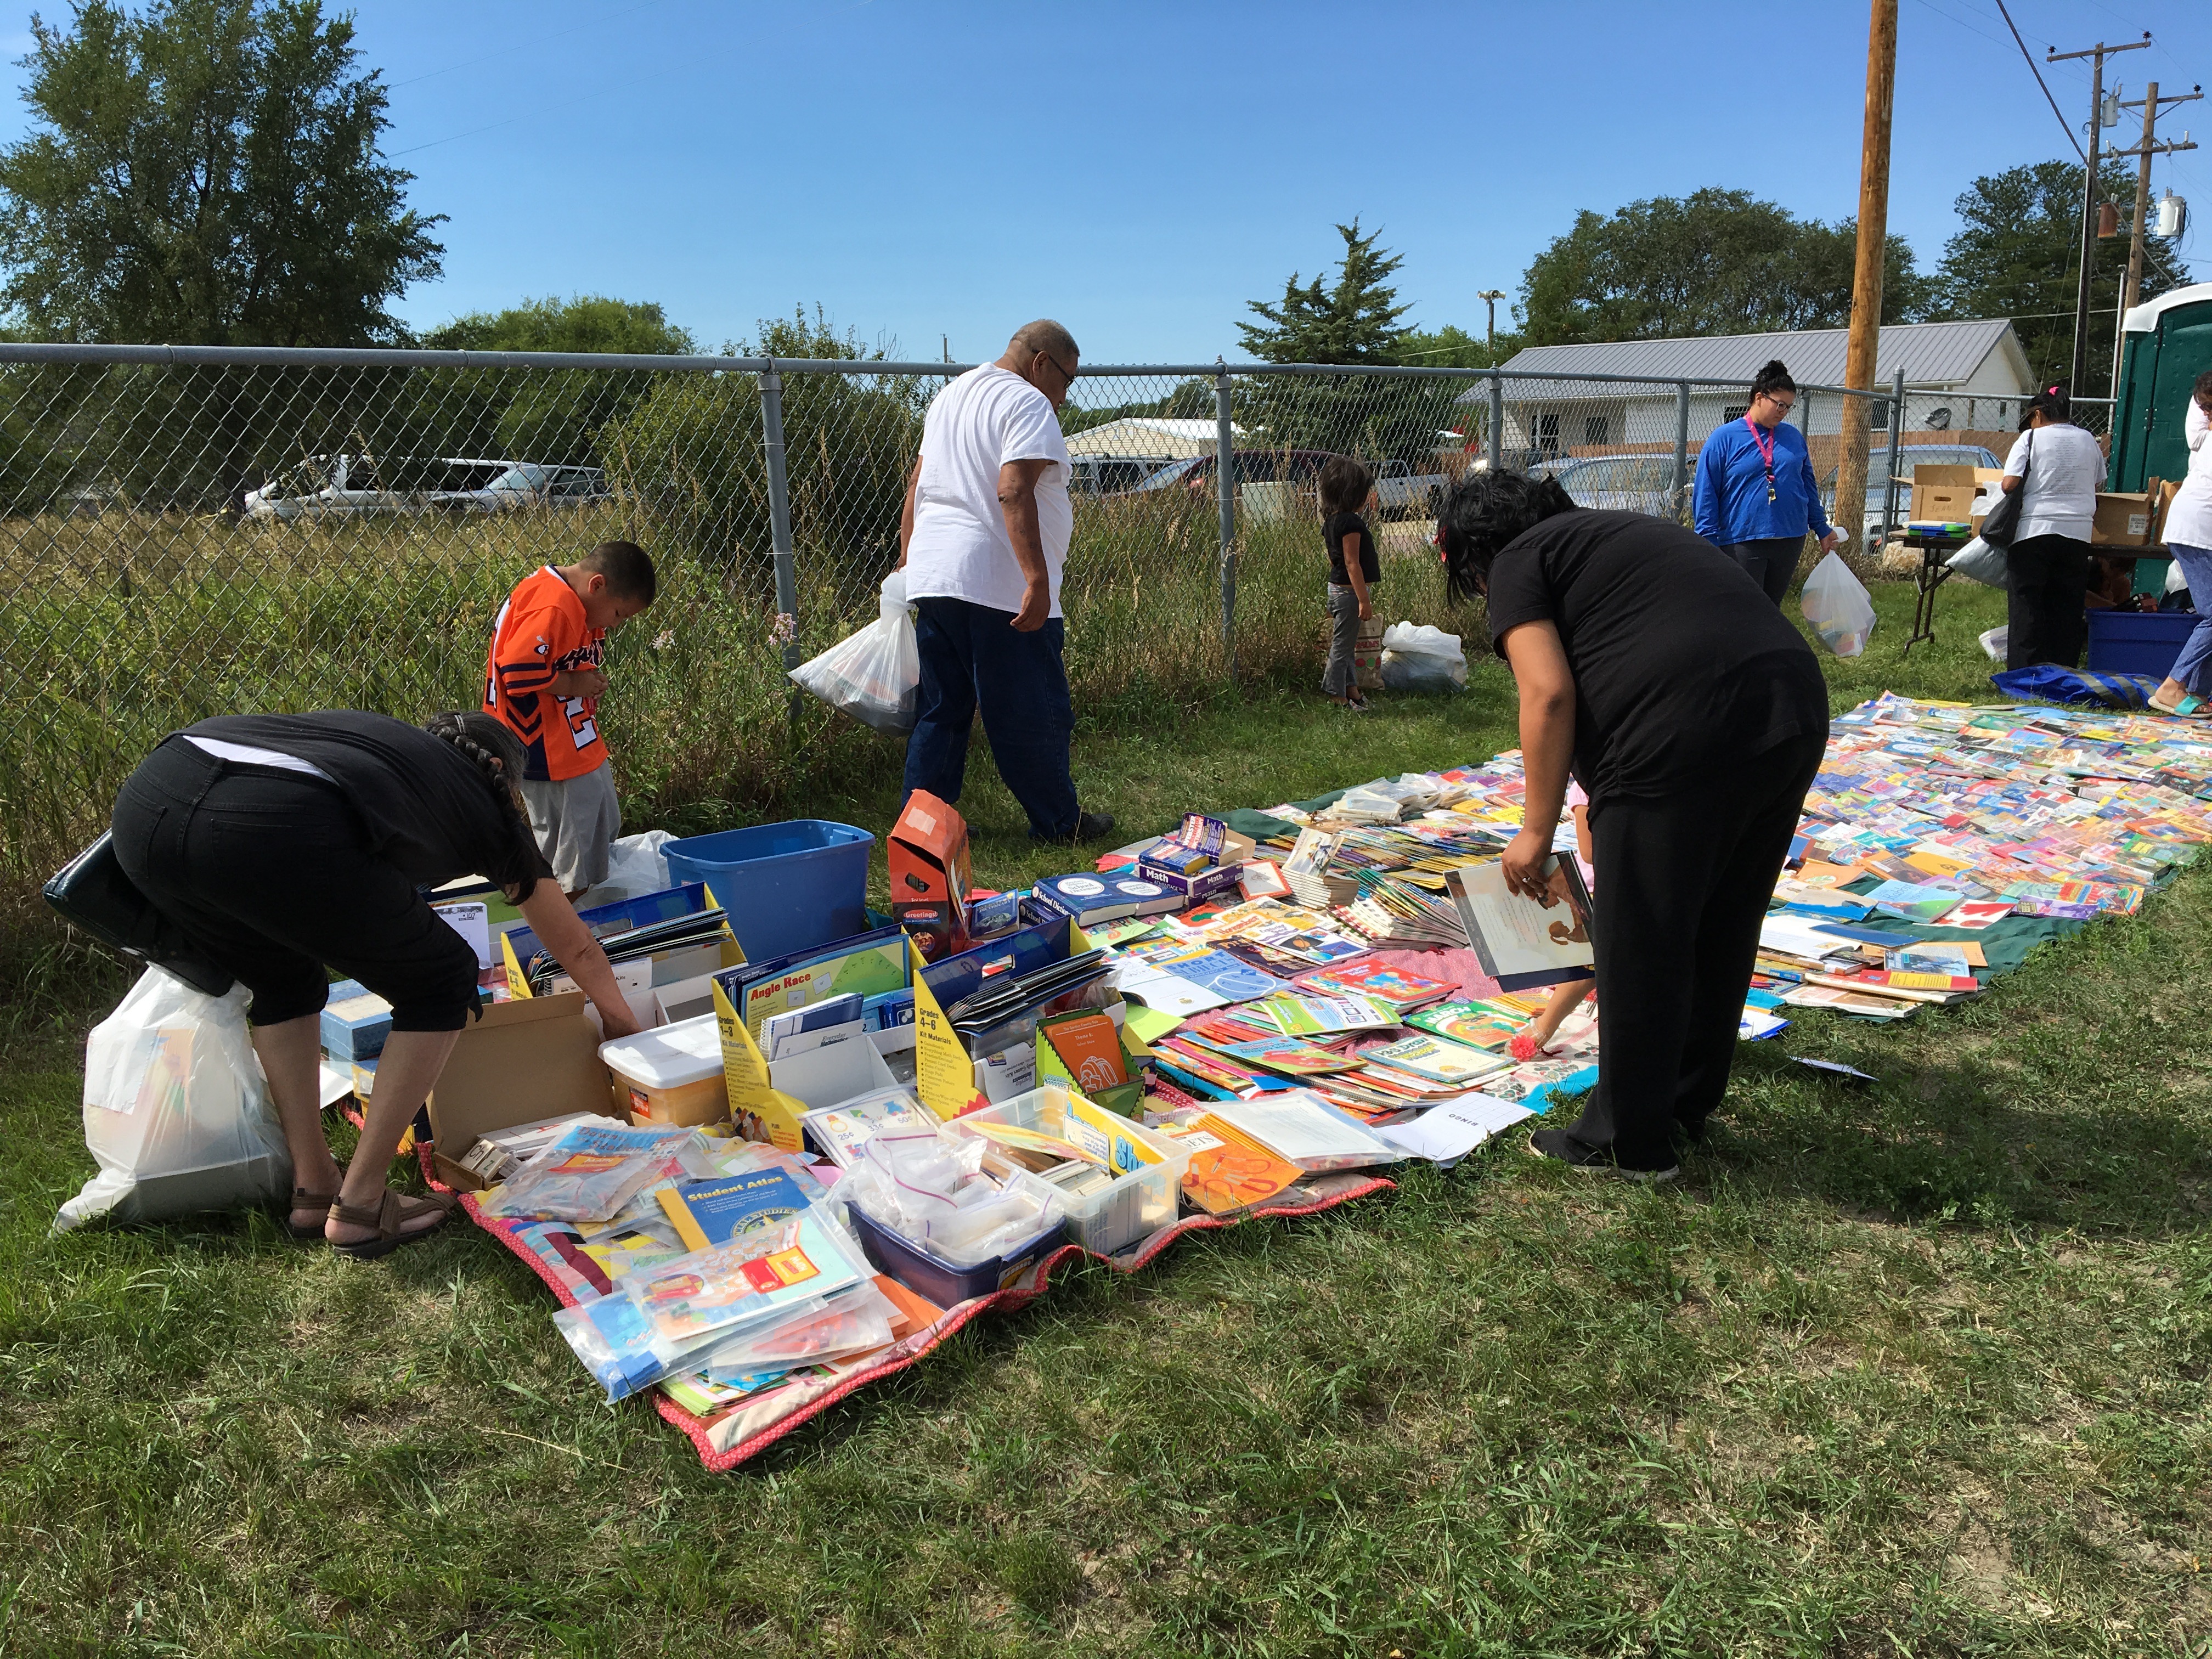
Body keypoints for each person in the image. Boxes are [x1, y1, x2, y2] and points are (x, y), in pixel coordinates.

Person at [109, 710, 646, 1258]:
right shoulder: (484, 802)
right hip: (263, 821)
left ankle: (314, 1186)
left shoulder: (388, 753)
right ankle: (360, 1206)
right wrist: (622, 1024)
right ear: (501, 774)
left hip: (146, 810)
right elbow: (576, 946)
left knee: (284, 982)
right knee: (440, 980)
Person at [1439, 471, 1830, 1180]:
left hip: (1677, 726)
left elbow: (1548, 693)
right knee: (1722, 922)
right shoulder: (1619, 533)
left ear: (1477, 552)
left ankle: (1627, 1141)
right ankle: (1683, 1104)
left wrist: (1534, 830)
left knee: (1641, 939)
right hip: (1792, 706)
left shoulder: (1520, 558)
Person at [896, 320, 1113, 844]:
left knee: (942, 710)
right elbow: (1013, 489)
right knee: (1031, 709)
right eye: (1067, 379)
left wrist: (908, 562)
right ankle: (1059, 823)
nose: (1065, 397)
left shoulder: (950, 396)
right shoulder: (1028, 402)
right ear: (1041, 363)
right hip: (997, 584)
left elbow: (918, 484)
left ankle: (922, 830)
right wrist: (1036, 579)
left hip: (936, 577)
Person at [483, 540, 658, 897]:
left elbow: (565, 658)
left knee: (599, 825)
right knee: (570, 858)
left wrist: (587, 681)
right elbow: (517, 672)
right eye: (619, 614)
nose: (616, 625)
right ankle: (563, 918)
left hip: (571, 739)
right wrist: (576, 684)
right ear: (597, 585)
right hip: (546, 748)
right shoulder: (554, 604)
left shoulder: (575, 600)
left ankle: (576, 905)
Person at [1691, 359, 1839, 603]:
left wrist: (1821, 527)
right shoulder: (1724, 439)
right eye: (1779, 404)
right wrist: (1708, 543)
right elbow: (1706, 493)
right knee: (1744, 609)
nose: (1783, 411)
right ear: (1759, 398)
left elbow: (1807, 486)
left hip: (1790, 538)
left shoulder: (1792, 437)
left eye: (1789, 407)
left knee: (1772, 609)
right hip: (1743, 540)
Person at [1997, 387, 2104, 672]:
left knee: (2027, 605)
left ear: (2038, 414)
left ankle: (2024, 674)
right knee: (2067, 607)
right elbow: (2096, 482)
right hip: (2077, 533)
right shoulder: (2088, 439)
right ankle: (2062, 671)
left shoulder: (2030, 439)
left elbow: (2009, 485)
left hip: (2034, 530)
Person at [1508, 780, 1594, 1060]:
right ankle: (1546, 1025)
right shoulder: (1587, 788)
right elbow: (1591, 852)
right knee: (1590, 961)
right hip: (1595, 888)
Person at [2147, 370, 2212, 716]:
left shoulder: (2206, 435)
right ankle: (2173, 686)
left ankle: (2199, 692)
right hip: (2198, 530)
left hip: (2195, 526)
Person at [1318, 456, 1379, 712]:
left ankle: (1352, 690)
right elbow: (1352, 563)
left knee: (1347, 644)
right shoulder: (1351, 523)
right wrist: (1364, 600)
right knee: (1342, 648)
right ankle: (1336, 695)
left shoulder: (1331, 521)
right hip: (1349, 594)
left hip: (1338, 591)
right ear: (1353, 494)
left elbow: (1334, 560)